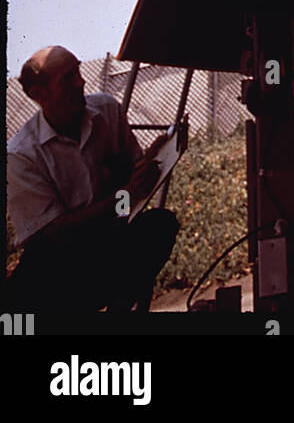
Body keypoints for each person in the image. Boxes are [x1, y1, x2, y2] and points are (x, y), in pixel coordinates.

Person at [5, 46, 179, 312]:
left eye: (78, 71)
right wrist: (125, 195)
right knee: (15, 314)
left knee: (160, 224)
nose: (81, 82)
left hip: (109, 241)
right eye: (68, 78)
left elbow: (130, 187)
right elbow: (57, 233)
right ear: (39, 94)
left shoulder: (107, 111)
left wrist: (148, 165)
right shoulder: (21, 154)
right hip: (58, 261)